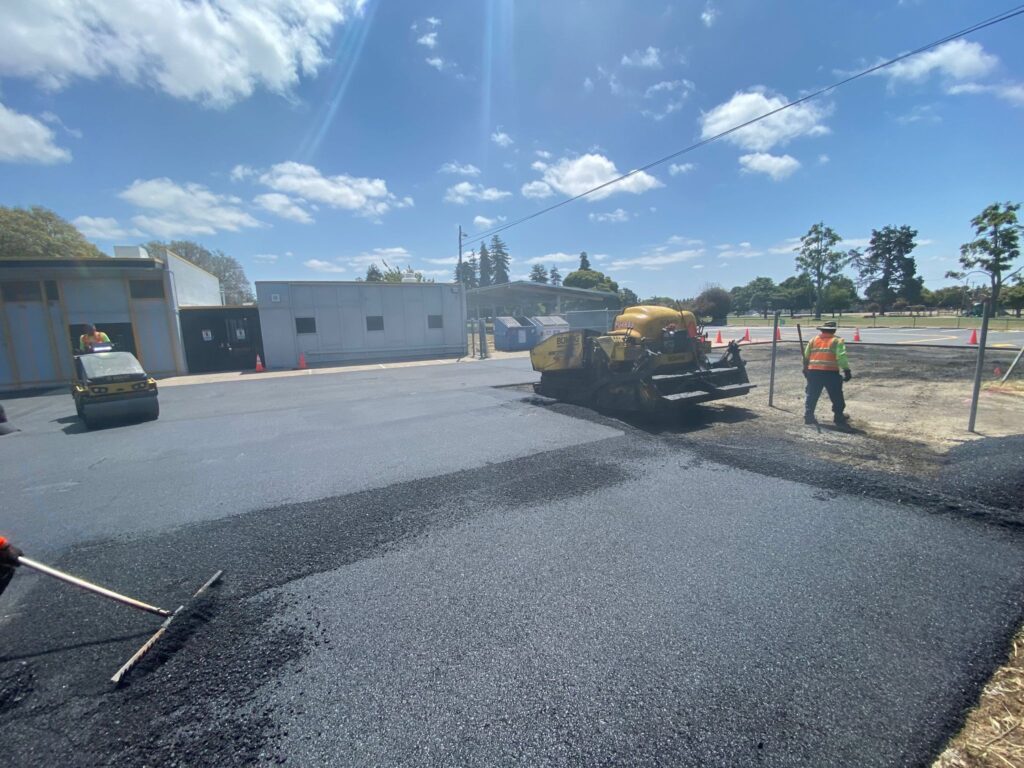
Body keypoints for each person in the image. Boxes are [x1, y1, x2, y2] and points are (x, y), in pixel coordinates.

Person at [803, 320, 852, 426]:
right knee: (836, 396)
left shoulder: (813, 340)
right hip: (831, 373)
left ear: (822, 330)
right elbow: (841, 357)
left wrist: (805, 368)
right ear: (834, 330)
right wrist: (846, 370)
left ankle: (808, 416)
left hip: (814, 372)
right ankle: (838, 417)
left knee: (812, 394)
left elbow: (806, 356)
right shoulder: (837, 341)